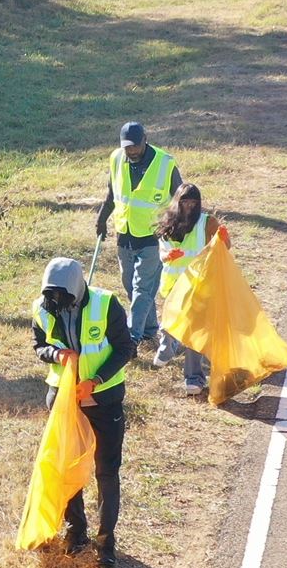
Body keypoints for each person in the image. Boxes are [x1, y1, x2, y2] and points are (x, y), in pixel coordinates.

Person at [31, 256, 132, 568]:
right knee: (66, 466)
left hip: (104, 402)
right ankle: (76, 531)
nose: (60, 303)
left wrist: (95, 381)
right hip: (63, 400)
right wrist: (57, 353)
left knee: (106, 471)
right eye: (54, 297)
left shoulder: (106, 304)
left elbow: (125, 348)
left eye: (66, 298)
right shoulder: (43, 307)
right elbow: (38, 345)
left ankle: (106, 543)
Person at [93, 122, 180, 350]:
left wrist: (177, 230)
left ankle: (132, 337)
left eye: (135, 147)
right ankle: (151, 329)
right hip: (125, 235)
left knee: (142, 287)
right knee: (130, 286)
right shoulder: (116, 159)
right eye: (126, 147)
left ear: (145, 140)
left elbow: (180, 199)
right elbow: (112, 194)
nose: (131, 151)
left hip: (153, 237)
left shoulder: (165, 163)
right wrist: (102, 219)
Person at [154, 182, 231, 396]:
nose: (189, 207)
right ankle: (168, 346)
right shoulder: (168, 222)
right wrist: (167, 257)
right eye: (185, 202)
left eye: (194, 203)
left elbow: (224, 249)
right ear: (177, 202)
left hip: (199, 285)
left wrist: (223, 239)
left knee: (194, 331)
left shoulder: (208, 223)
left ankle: (194, 378)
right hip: (173, 287)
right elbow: (162, 251)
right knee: (174, 326)